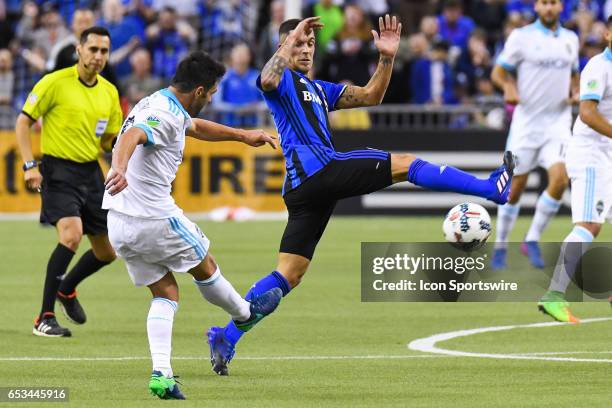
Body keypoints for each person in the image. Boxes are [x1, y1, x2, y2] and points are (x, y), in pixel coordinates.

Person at [206, 15, 516, 376]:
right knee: (405, 163)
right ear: (283, 46)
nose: (305, 49)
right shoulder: (282, 81)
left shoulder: (319, 89)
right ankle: (488, 188)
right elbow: (266, 78)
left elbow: (372, 95)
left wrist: (386, 57)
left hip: (304, 191)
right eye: (297, 43)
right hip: (321, 170)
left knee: (288, 275)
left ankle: (226, 337)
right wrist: (289, 41)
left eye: (309, 44)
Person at [102, 51, 281, 400]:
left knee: (166, 293)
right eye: (212, 93)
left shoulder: (159, 102)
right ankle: (245, 314)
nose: (212, 98)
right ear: (199, 90)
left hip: (119, 223)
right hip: (154, 219)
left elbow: (195, 127)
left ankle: (161, 375)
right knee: (207, 266)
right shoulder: (161, 113)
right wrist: (119, 167)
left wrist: (243, 136)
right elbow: (133, 135)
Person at [15, 27, 123, 337]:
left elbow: (106, 142)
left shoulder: (109, 92)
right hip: (58, 171)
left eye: (104, 51)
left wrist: (129, 145)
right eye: (93, 50)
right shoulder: (54, 82)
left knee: (107, 252)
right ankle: (44, 317)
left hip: (91, 172)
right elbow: (23, 121)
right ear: (79, 50)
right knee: (72, 234)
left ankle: (67, 289)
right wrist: (29, 166)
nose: (98, 56)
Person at [491, 0, 579, 270]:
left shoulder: (571, 39)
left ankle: (531, 239)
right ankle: (501, 245)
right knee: (514, 190)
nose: (549, 8)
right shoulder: (521, 37)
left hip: (558, 123)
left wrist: (575, 91)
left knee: (560, 180)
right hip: (526, 123)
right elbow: (498, 71)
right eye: (544, 3)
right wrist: (508, 86)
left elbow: (574, 74)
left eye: (553, 3)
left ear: (560, 7)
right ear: (537, 7)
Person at [538, 15, 612, 323]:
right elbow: (587, 112)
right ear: (608, 34)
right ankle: (553, 294)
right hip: (592, 153)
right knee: (589, 225)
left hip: (607, 153)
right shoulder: (599, 66)